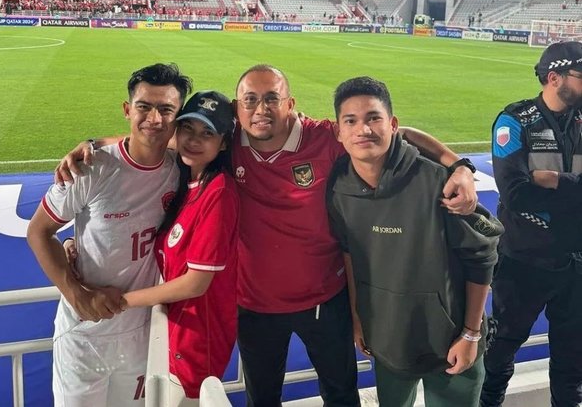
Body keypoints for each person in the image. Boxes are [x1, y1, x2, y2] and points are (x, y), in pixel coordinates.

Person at [56, 64, 478, 407]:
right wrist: (94, 143)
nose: (261, 109)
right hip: (254, 307)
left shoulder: (323, 137)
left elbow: (395, 135)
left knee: (341, 394)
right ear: (238, 112)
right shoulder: (228, 142)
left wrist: (459, 164)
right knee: (263, 399)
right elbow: (164, 139)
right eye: (250, 101)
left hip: (323, 300)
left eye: (271, 98)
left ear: (290, 104)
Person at [326, 76, 502, 407]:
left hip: (451, 343)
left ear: (392, 124)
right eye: (351, 121)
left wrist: (470, 334)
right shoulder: (339, 187)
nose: (363, 129)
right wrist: (359, 316)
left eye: (373, 118)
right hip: (389, 339)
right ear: (339, 131)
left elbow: (481, 258)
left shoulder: (438, 181)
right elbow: (349, 252)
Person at [27, 63, 192, 407]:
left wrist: (93, 139)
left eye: (166, 110)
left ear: (177, 118)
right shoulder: (92, 167)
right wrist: (76, 295)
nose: (154, 118)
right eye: (144, 107)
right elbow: (39, 231)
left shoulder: (182, 168)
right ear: (127, 109)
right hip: (85, 335)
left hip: (141, 333)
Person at [479, 41, 582, 407]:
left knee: (572, 360)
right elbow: (516, 193)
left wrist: (555, 180)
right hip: (524, 263)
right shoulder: (515, 121)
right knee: (501, 349)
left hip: (575, 263)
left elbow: (536, 186)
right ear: (554, 78)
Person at [120, 90, 239, 404]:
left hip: (200, 340)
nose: (194, 140)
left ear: (223, 142)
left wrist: (120, 301)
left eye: (207, 133)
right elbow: (146, 141)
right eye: (188, 128)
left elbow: (196, 283)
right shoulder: (187, 179)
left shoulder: (219, 193)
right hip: (178, 331)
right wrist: (92, 145)